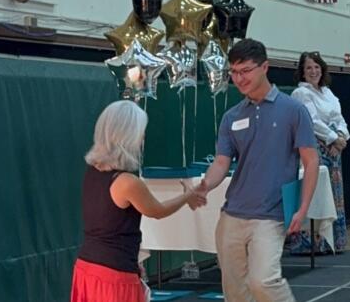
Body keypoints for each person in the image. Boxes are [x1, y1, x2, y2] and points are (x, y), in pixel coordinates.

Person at [194, 38, 319, 302]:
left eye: (246, 71)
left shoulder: (294, 110)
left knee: (263, 281)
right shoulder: (232, 116)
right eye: (234, 72)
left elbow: (311, 161)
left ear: (265, 67)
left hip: (270, 215)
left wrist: (303, 208)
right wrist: (206, 185)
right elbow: (221, 162)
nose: (239, 79)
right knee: (235, 291)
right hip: (232, 215)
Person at [70, 100, 205, 302]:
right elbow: (157, 211)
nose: (142, 138)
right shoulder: (127, 182)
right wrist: (187, 196)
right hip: (113, 275)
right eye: (141, 132)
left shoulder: (93, 172)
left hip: (87, 267)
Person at [289, 51, 350, 254]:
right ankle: (311, 243)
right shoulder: (301, 93)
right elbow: (312, 121)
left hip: (333, 148)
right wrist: (333, 138)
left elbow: (339, 118)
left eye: (316, 67)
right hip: (314, 147)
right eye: (309, 68)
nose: (313, 71)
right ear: (302, 71)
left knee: (333, 194)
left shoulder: (327, 92)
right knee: (316, 193)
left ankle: (333, 241)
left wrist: (341, 136)